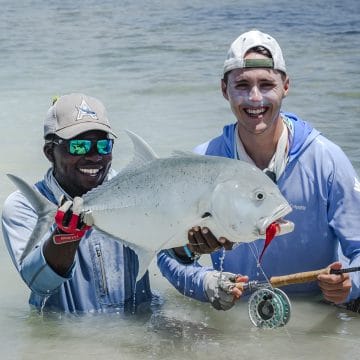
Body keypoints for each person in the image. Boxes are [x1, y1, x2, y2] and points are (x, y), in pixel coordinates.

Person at [158, 29, 360, 310]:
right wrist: (204, 283)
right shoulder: (203, 162)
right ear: (224, 89)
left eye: (266, 84)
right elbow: (165, 255)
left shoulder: (327, 160)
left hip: (319, 316)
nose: (255, 98)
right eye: (242, 85)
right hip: (235, 315)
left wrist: (350, 288)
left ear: (286, 86)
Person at [1, 93, 246, 313]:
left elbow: (162, 251)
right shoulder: (23, 206)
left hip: (140, 324)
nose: (94, 155)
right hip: (71, 337)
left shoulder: (136, 188)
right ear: (49, 152)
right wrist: (63, 238)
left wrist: (205, 278)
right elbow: (38, 283)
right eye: (79, 145)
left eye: (103, 144)